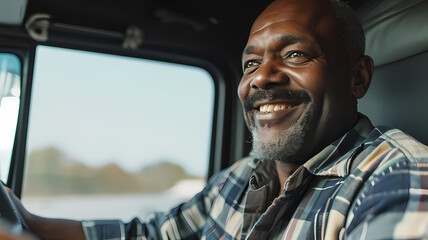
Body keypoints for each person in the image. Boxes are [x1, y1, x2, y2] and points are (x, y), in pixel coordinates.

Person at [6, 0, 428, 239]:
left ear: (358, 77)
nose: (261, 77)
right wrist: (25, 220)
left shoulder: (399, 178)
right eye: (249, 63)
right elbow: (154, 236)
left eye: (295, 54)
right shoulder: (243, 176)